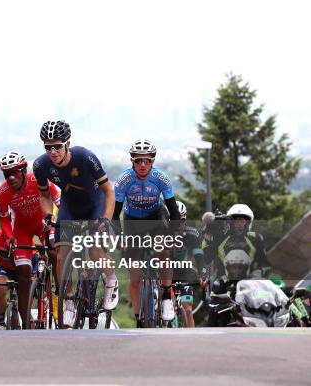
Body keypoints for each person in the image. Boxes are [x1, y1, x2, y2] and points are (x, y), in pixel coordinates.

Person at [32, 120, 118, 325]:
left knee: (96, 249)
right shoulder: (40, 165)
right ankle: (68, 301)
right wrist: (47, 215)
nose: (52, 151)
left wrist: (105, 219)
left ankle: (111, 280)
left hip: (94, 205)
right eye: (48, 147)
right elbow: (44, 196)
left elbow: (108, 191)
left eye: (57, 146)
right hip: (70, 208)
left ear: (67, 143)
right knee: (61, 257)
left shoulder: (85, 157)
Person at [113, 138, 181, 326]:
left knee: (164, 251)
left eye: (147, 160)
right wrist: (120, 238)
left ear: (153, 161)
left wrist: (173, 236)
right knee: (135, 279)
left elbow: (174, 212)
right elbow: (114, 214)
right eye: (138, 160)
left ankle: (166, 295)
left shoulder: (161, 178)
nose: (143, 165)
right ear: (132, 161)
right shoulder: (123, 180)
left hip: (155, 219)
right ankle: (139, 318)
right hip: (132, 222)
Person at [0, 151, 60, 328]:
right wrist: (9, 238)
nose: (11, 177)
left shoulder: (38, 180)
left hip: (43, 222)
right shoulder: (2, 193)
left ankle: (59, 287)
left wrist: (59, 222)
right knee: (23, 272)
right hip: (22, 229)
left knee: (54, 248)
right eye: (7, 174)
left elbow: (60, 202)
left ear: (24, 170)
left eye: (15, 172)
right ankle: (26, 321)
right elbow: (5, 219)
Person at [203, 203, 269, 279]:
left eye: (242, 219)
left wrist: (256, 275)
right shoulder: (220, 237)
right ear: (231, 221)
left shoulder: (256, 238)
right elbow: (206, 258)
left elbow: (264, 264)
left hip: (249, 283)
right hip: (222, 284)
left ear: (248, 222)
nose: (239, 223)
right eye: (236, 219)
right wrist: (208, 235)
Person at [170, 201, 208, 327]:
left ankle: (192, 339)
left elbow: (200, 258)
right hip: (165, 273)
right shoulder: (161, 233)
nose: (178, 225)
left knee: (188, 310)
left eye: (181, 220)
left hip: (183, 273)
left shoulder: (192, 234)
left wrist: (203, 273)